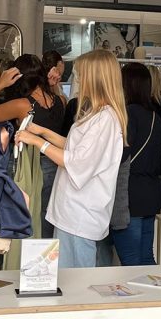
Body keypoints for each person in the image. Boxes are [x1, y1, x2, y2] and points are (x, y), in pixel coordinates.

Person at [15, 49, 126, 268]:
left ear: (95, 78)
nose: (78, 80)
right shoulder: (95, 114)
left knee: (77, 284)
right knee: (67, 280)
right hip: (70, 212)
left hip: (81, 215)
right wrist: (42, 131)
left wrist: (38, 142)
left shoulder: (105, 119)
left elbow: (76, 162)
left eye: (80, 74)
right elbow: (74, 147)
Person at [0, 54, 65, 239]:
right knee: (45, 220)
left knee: (18, 218)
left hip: (28, 167)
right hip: (54, 166)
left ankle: (15, 262)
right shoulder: (60, 101)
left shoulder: (22, 105)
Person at [111, 62, 161, 266]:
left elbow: (122, 154)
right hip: (150, 193)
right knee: (146, 257)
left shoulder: (127, 115)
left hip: (129, 194)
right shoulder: (154, 117)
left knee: (130, 261)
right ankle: (153, 297)